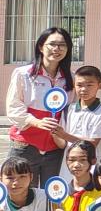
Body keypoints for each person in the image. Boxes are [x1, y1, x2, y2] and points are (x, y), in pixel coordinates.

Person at [6, 26, 75, 185]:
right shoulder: (23, 74)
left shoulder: (70, 79)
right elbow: (13, 107)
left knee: (51, 194)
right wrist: (36, 122)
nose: (57, 49)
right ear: (41, 47)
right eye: (52, 44)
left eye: (62, 45)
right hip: (25, 146)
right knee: (22, 191)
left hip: (55, 150)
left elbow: (69, 112)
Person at [54, 65, 101, 181]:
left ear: (100, 85)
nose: (84, 89)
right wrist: (54, 133)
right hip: (69, 166)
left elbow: (92, 144)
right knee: (69, 191)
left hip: (90, 164)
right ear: (74, 85)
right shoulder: (68, 109)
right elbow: (62, 144)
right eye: (79, 85)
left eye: (89, 85)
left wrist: (65, 135)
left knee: (89, 191)